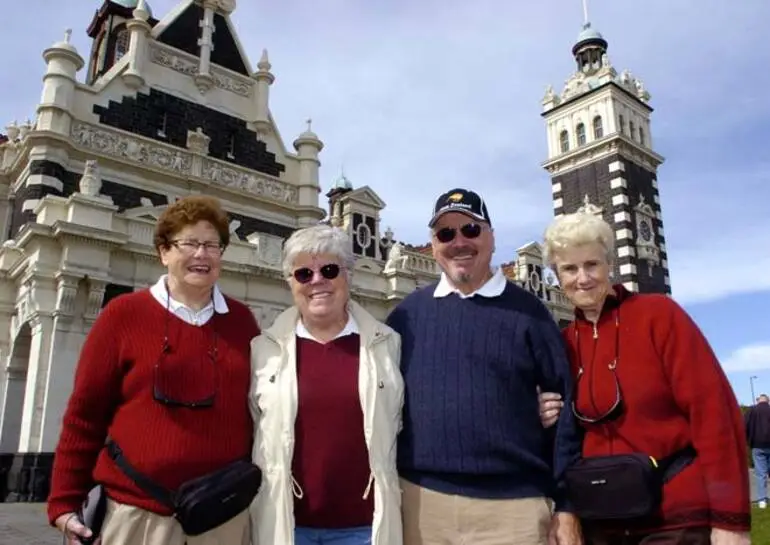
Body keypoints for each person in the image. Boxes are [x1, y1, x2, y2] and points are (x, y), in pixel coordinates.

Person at [47, 195, 260, 545]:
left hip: (223, 518)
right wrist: (64, 502)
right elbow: (85, 416)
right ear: (163, 252)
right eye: (189, 243)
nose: (201, 255)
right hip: (136, 516)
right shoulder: (122, 316)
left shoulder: (242, 323)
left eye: (212, 245)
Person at [538, 211, 751, 545]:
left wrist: (731, 520)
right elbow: (566, 440)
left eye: (592, 264)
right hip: (601, 522)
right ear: (557, 276)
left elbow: (715, 414)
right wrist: (542, 413)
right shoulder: (563, 344)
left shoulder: (659, 316)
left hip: (674, 519)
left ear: (609, 265)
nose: (583, 278)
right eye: (569, 268)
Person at [385, 188, 583, 545]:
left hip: (513, 510)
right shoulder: (406, 317)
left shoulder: (531, 314)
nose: (459, 241)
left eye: (471, 230)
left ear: (491, 237)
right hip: (421, 505)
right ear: (433, 245)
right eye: (446, 233)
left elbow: (567, 415)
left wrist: (567, 505)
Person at [249, 224, 404, 545]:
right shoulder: (262, 349)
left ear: (349, 275)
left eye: (329, 270)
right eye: (303, 273)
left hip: (363, 528)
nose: (317, 281)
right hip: (287, 525)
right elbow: (252, 424)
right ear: (290, 282)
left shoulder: (388, 344)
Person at [745, 394, 770, 508]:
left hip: (757, 445)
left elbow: (744, 426)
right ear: (768, 401)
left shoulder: (752, 411)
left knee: (761, 474)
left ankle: (762, 500)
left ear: (758, 400)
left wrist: (747, 441)